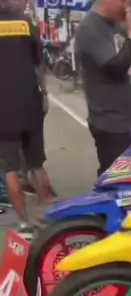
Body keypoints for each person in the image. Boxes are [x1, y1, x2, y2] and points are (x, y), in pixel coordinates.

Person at [75, 0, 131, 175]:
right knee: (116, 178)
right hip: (111, 122)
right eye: (125, 2)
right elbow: (117, 67)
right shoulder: (90, 28)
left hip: (130, 118)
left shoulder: (117, 25)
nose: (128, 7)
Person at [0, 0, 52, 235]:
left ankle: (24, 222)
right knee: (37, 164)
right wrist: (45, 94)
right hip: (29, 104)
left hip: (4, 111)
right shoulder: (25, 24)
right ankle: (49, 216)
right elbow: (39, 64)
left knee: (11, 169)